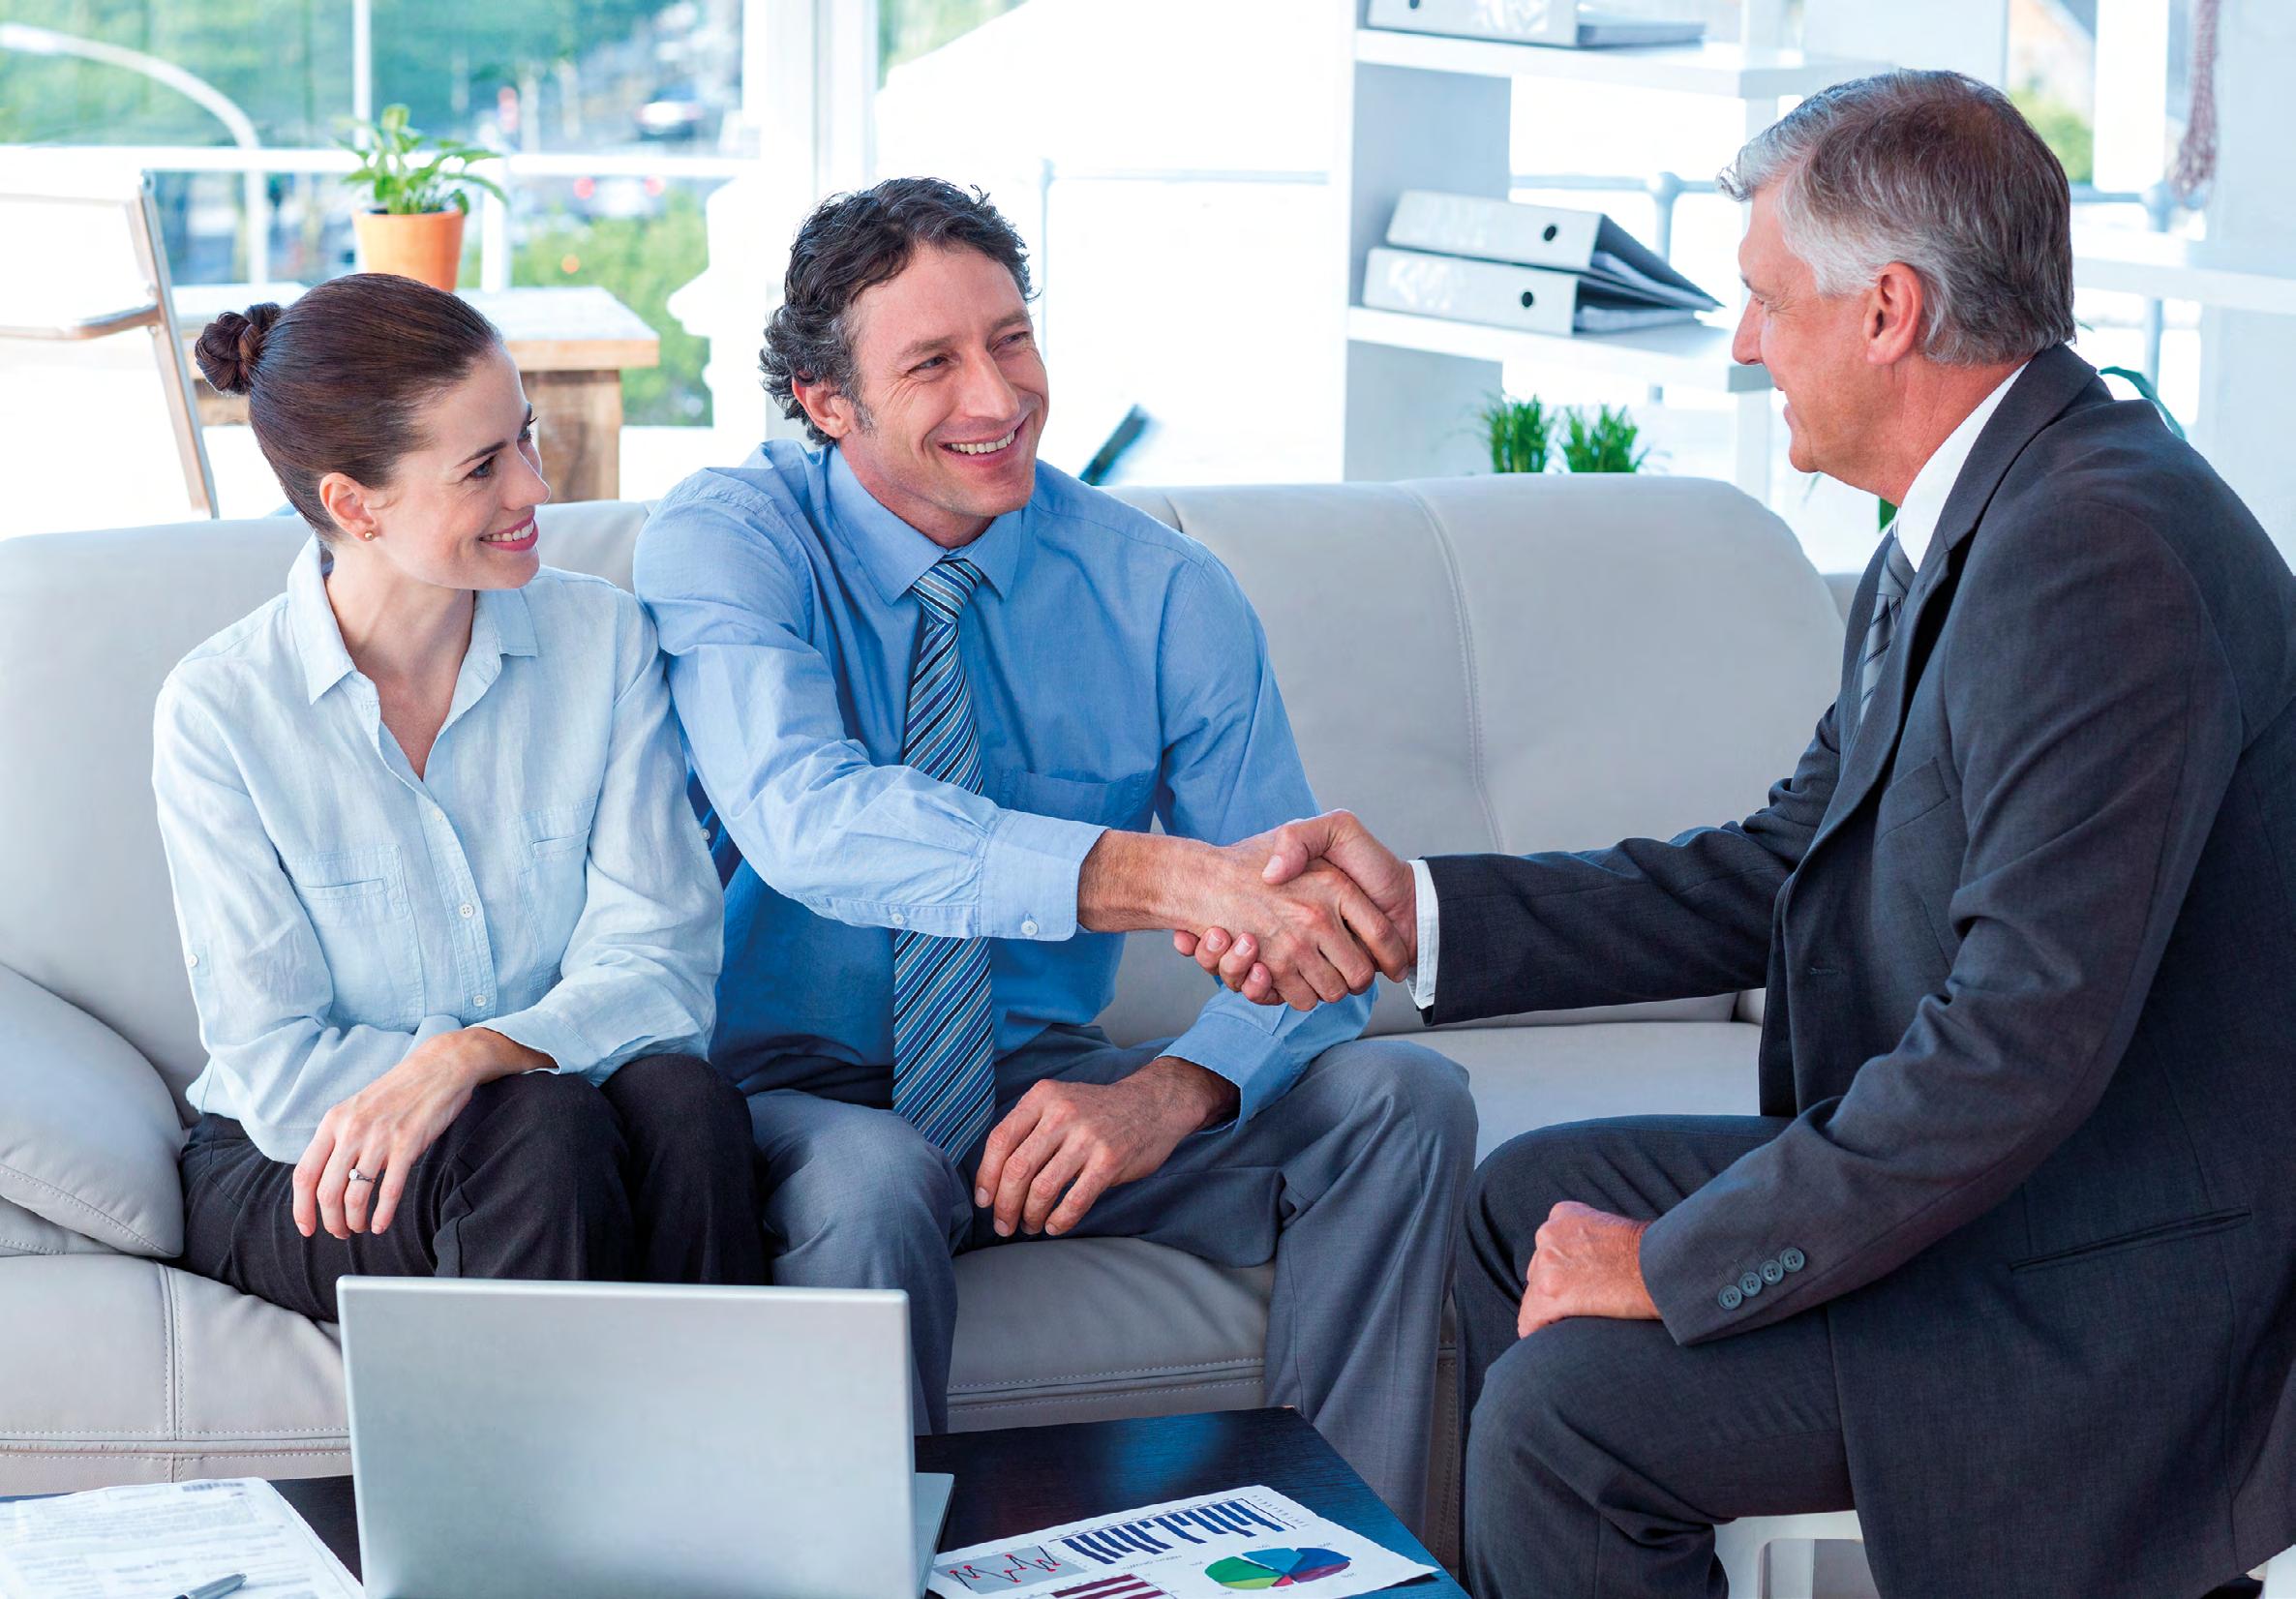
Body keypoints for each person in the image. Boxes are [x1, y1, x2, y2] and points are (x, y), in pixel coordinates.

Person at [1182, 72, 2296, 1599]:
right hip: (2024, 1198)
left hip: (2100, 1280)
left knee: (1569, 1423)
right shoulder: (1984, 514)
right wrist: (1416, 914)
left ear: (1889, 311)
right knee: (1516, 1203)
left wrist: (1667, 1267)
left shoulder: (2095, 559)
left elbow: (2016, 1048)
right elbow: (1780, 866)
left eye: (1769, 302)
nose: (1743, 344)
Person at [633, 177, 1474, 1529]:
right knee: (875, 1179)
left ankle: (1339, 1548)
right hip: (791, 1096)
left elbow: (1305, 939)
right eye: (932, 362)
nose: (998, 394)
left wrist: (1173, 1089)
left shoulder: (1161, 589)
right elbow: (807, 820)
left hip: (1032, 1086)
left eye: (1011, 339)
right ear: (824, 401)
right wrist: (1157, 875)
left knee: (1401, 1100)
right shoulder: (730, 541)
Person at [161, 273, 765, 1322]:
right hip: (300, 1157)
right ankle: (537, 1443)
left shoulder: (605, 642)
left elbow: (663, 968)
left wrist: (475, 1054)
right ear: (354, 505)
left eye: (524, 437)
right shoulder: (222, 711)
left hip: (563, 1119)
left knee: (686, 1103)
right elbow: (273, 1063)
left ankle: (718, 1429)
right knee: (542, 1132)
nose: (535, 486)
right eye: (482, 467)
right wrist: (484, 1085)